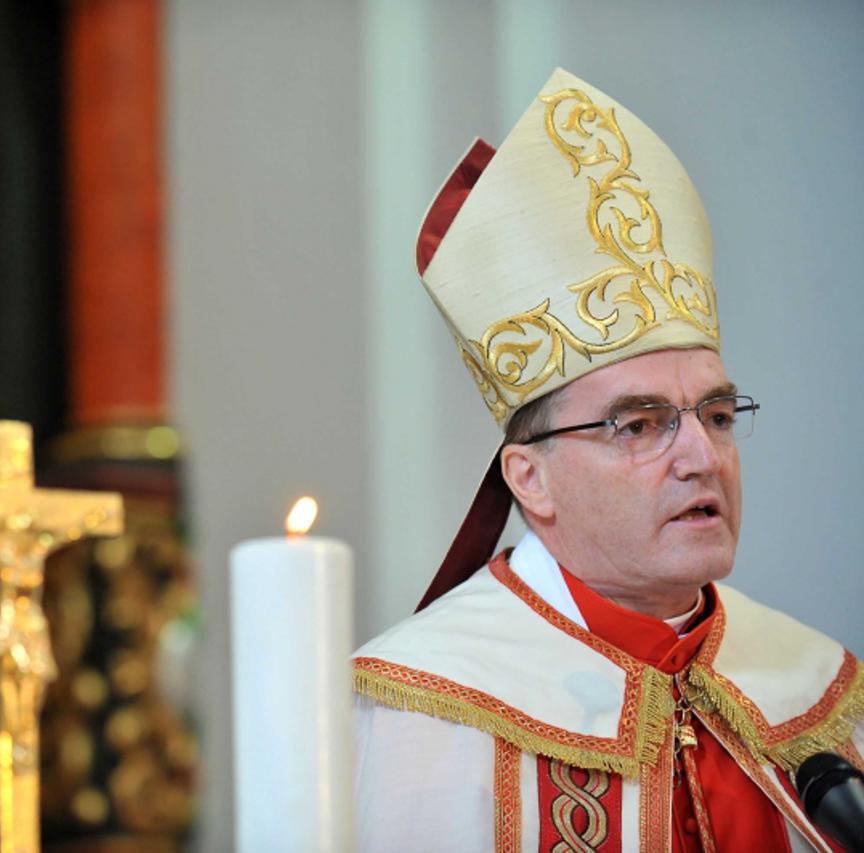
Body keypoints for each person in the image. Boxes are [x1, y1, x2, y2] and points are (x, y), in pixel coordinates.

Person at [353, 68, 863, 852]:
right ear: (532, 478)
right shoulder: (415, 714)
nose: (703, 455)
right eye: (642, 424)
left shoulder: (819, 686)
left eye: (718, 414)